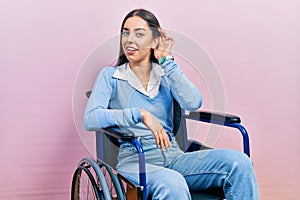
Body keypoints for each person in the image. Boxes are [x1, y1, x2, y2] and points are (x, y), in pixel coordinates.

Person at [84, 8, 259, 200]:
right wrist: (140, 113)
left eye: (139, 34)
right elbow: (91, 118)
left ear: (155, 40)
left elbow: (193, 103)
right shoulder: (111, 76)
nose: (129, 40)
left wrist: (167, 61)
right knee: (172, 182)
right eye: (126, 32)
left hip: (174, 156)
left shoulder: (166, 75)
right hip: (136, 159)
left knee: (240, 163)